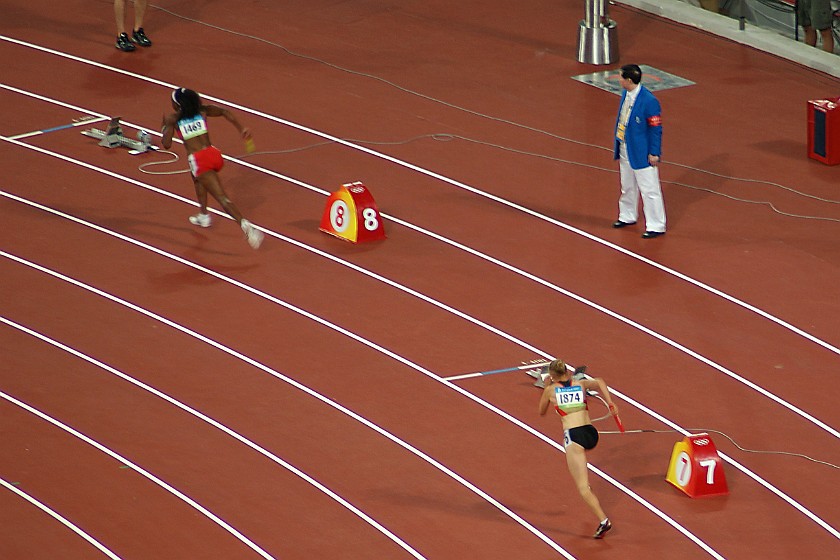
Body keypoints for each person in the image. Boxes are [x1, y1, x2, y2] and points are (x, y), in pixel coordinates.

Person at [161, 88, 264, 249]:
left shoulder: (173, 119)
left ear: (177, 105)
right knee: (197, 180)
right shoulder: (202, 111)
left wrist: (165, 127)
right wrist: (241, 128)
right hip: (214, 154)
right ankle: (203, 215)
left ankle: (248, 228)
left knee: (223, 198)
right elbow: (224, 112)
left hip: (199, 160)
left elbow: (166, 144)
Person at [538, 359, 619, 539]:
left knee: (583, 487)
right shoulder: (580, 383)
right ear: (567, 371)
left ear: (552, 376)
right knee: (583, 480)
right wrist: (611, 404)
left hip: (574, 437)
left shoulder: (550, 390)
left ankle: (604, 520)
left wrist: (546, 387)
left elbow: (541, 411)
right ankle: (601, 516)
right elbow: (600, 381)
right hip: (591, 434)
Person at [612, 64, 666, 239]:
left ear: (629, 80)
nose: (618, 79)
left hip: (642, 152)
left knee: (649, 189)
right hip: (625, 147)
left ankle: (656, 224)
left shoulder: (649, 101)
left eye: (620, 77)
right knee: (627, 185)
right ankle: (627, 215)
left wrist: (654, 152)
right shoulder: (626, 94)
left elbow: (655, 129)